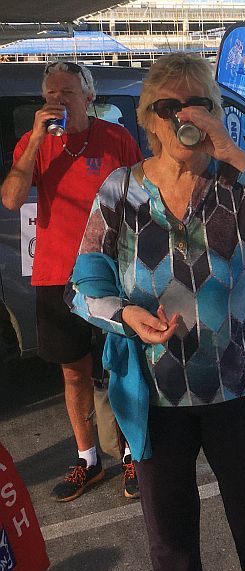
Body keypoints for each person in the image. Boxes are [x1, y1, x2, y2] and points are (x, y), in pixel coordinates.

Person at [66, 53, 245, 571]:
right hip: (156, 400)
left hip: (240, 392)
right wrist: (124, 314)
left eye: (199, 104)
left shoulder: (239, 184)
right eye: (170, 107)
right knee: (172, 548)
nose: (185, 116)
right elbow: (83, 284)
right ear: (149, 118)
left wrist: (232, 151)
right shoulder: (121, 189)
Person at [0, 60, 144, 502]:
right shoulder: (33, 143)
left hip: (110, 272)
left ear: (89, 97)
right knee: (74, 373)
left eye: (66, 92)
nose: (57, 100)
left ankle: (132, 454)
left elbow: (142, 198)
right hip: (56, 274)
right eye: (50, 94)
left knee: (120, 366)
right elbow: (11, 198)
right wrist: (35, 140)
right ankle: (88, 459)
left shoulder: (116, 138)